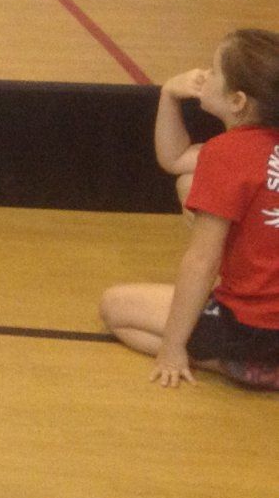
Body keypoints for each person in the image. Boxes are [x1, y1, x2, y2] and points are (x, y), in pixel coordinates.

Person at [100, 29, 279, 390]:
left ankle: (241, 365)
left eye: (213, 71)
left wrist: (172, 347)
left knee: (115, 308)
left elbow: (202, 262)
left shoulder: (226, 156)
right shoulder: (237, 153)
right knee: (188, 184)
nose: (203, 74)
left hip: (252, 328)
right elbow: (176, 159)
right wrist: (168, 95)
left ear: (237, 101)